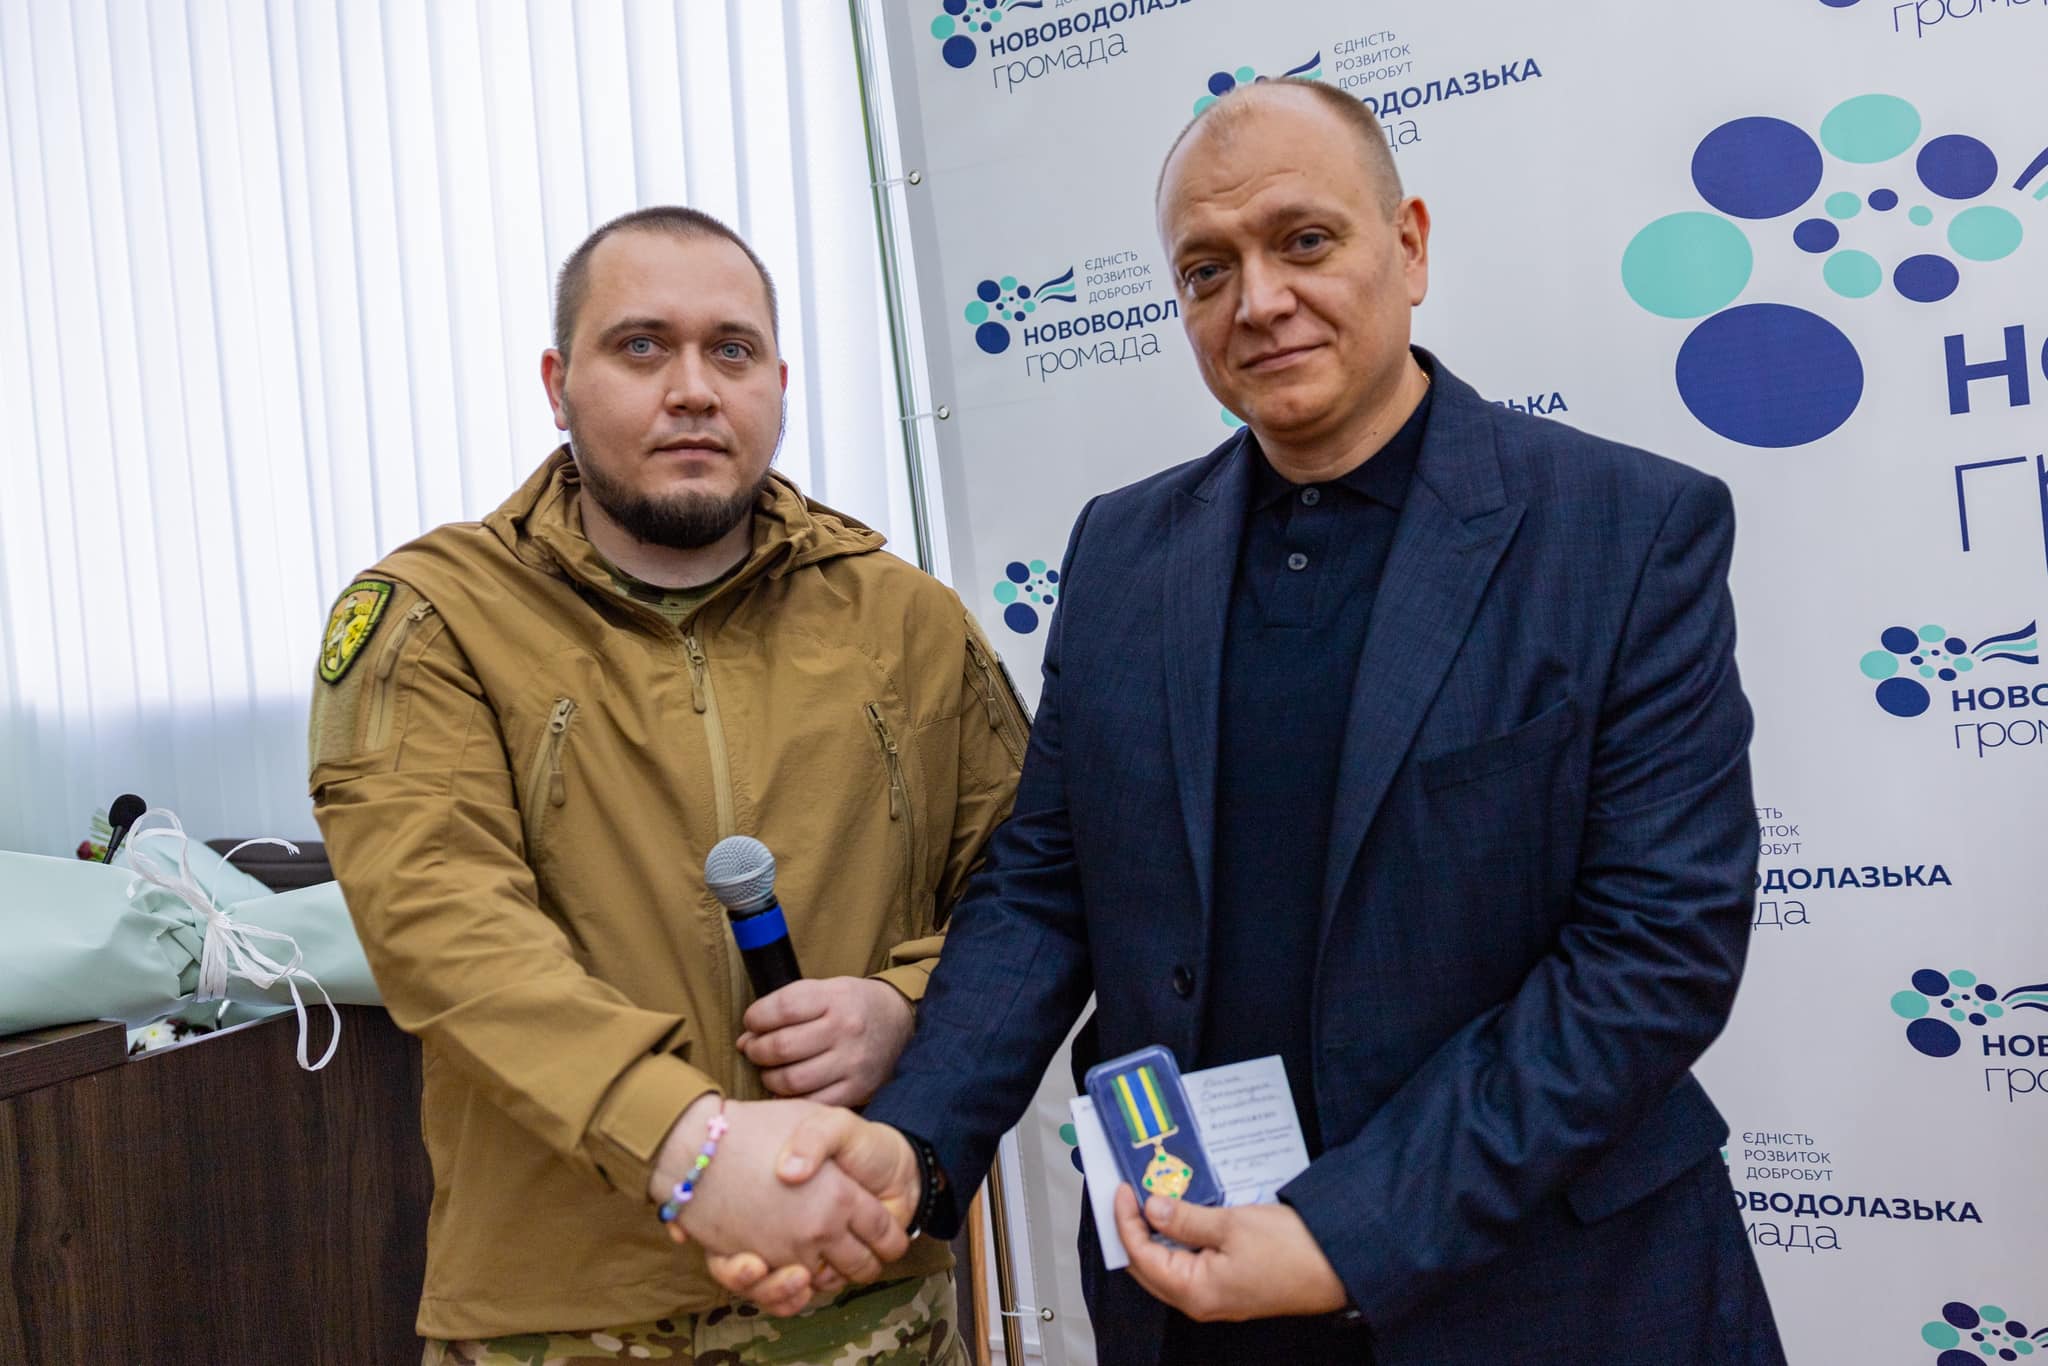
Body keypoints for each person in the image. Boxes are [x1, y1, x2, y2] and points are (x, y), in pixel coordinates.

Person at [699, 80, 1788, 1364]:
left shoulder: (1622, 529)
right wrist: (914, 1141)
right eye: (1205, 270)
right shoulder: (1123, 549)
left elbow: (1651, 954)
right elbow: (1045, 885)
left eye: (1303, 241)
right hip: (1190, 1276)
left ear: (1410, 246)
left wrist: (1345, 1231)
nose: (1257, 301)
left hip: (1542, 1293)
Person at [307, 205, 1027, 1364]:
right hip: (563, 1313)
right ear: (559, 384)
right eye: (640, 346)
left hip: (860, 1282)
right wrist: (685, 1144)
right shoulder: (435, 616)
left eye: (730, 351)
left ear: (778, 385)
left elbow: (1026, 886)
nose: (692, 389)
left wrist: (905, 1003)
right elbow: (442, 924)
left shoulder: (904, 617)